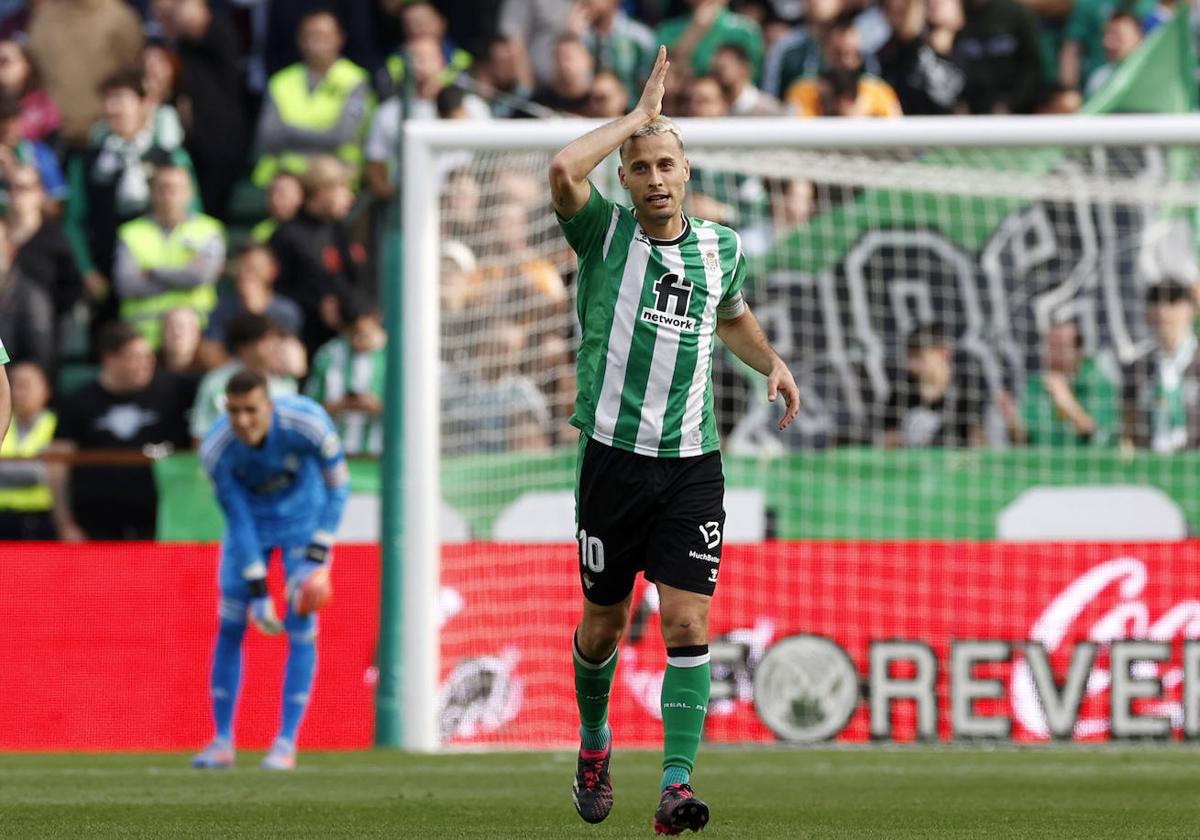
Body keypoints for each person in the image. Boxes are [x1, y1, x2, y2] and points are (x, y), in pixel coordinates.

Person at [548, 47, 799, 834]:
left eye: (666, 163)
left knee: (688, 624)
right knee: (604, 627)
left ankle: (675, 786)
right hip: (613, 463)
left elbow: (729, 315)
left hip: (693, 463)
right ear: (624, 180)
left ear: (686, 172)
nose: (654, 177)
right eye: (640, 167)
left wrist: (772, 363)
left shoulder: (721, 247)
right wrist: (632, 118)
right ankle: (595, 744)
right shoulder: (603, 236)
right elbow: (561, 169)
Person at [192, 370, 349, 771]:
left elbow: (339, 486)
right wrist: (259, 590)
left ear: (270, 405)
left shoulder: (308, 423)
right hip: (253, 531)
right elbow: (237, 518)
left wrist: (318, 556)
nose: (242, 421)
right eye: (234, 412)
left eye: (251, 410)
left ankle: (285, 742)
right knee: (230, 625)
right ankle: (222, 740)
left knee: (302, 624)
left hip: (303, 524)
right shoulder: (216, 449)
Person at [48, 321, 193, 541]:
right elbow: (57, 465)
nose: (146, 364)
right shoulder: (79, 402)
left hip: (159, 527)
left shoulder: (174, 392)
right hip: (95, 528)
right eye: (135, 357)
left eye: (149, 356)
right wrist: (64, 523)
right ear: (110, 359)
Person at [251, 10, 374, 188]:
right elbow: (268, 137)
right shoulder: (281, 81)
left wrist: (288, 133)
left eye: (323, 35)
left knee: (331, 186)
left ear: (339, 38)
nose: (315, 41)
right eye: (309, 35)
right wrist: (322, 135)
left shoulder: (355, 80)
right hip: (285, 175)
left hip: (338, 173)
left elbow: (342, 137)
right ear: (299, 40)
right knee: (286, 191)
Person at [112, 160, 225, 349]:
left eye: (176, 188)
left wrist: (152, 272)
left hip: (197, 336)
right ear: (151, 192)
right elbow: (126, 284)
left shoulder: (208, 230)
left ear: (190, 192)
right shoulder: (131, 232)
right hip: (142, 338)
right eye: (162, 188)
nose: (169, 194)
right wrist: (182, 275)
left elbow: (199, 277)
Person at [999, 319, 1117, 446]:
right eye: (1050, 347)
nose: (1053, 354)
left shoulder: (1098, 382)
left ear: (1078, 351)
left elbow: (1102, 438)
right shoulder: (1036, 384)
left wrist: (1066, 402)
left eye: (1060, 347)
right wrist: (1012, 420)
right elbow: (1025, 440)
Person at [190, 312, 300, 445]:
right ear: (244, 347)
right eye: (265, 340)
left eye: (275, 339)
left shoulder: (286, 383)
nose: (274, 345)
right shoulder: (215, 383)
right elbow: (200, 434)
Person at [1121, 278, 1200, 452]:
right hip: (1148, 469)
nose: (1163, 312)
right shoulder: (1137, 366)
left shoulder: (1196, 362)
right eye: (1156, 303)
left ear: (1191, 309)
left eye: (1173, 302)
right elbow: (1128, 427)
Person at [881, 324, 987, 447]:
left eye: (918, 357)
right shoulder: (902, 390)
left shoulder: (968, 389)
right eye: (909, 358)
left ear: (943, 352)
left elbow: (978, 441)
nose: (911, 366)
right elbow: (888, 441)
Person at [306, 297, 385, 457]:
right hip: (337, 455)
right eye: (350, 333)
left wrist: (377, 407)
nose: (356, 339)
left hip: (381, 457)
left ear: (375, 318)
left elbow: (415, 413)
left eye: (361, 332)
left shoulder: (398, 356)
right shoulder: (328, 355)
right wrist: (339, 406)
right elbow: (310, 407)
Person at [0, 361, 56, 540]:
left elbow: (43, 473)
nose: (19, 392)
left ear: (46, 390)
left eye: (26, 385)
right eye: (15, 385)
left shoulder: (57, 427)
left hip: (41, 520)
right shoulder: (2, 423)